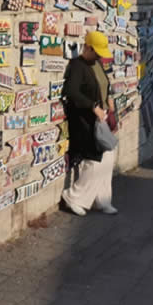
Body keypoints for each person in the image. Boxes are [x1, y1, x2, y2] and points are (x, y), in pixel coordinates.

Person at [60, 31, 118, 217]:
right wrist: (93, 106)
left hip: (100, 119)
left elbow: (103, 86)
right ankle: (73, 197)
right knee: (93, 161)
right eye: (97, 51)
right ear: (88, 47)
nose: (100, 55)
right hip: (85, 120)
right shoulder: (77, 65)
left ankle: (102, 200)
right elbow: (71, 92)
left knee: (108, 157)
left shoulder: (97, 63)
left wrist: (108, 100)